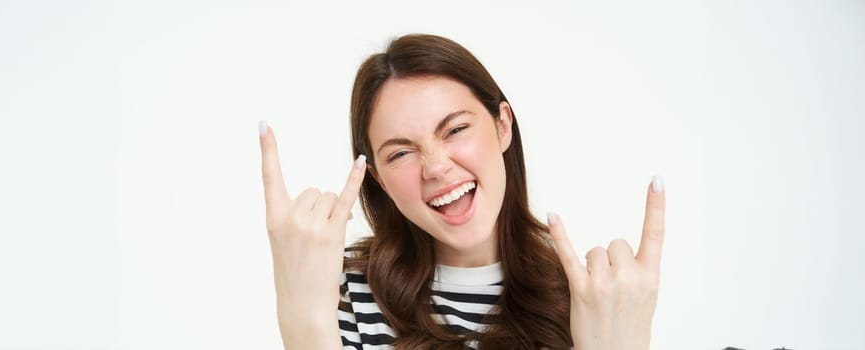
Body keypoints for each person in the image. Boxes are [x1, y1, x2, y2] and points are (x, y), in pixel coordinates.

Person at [258, 34, 666, 349]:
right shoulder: (341, 294)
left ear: (502, 125)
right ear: (379, 179)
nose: (435, 167)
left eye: (455, 129)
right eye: (401, 153)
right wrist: (305, 322)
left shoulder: (593, 302)